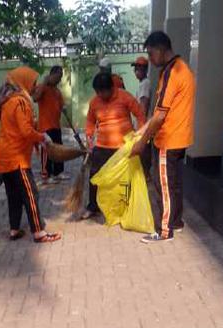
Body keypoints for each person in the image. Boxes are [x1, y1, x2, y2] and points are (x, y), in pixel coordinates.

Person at [130, 31, 195, 242]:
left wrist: (141, 143)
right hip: (179, 137)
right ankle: (176, 221)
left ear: (160, 49)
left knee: (163, 185)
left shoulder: (173, 73)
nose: (149, 59)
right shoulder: (180, 68)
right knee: (173, 183)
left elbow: (159, 116)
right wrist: (140, 132)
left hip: (169, 139)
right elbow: (161, 111)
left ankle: (164, 230)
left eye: (150, 54)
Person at [0, 66, 62, 243]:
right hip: (16, 157)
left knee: (14, 195)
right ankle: (38, 232)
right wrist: (42, 137)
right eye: (32, 83)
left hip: (3, 156)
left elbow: (16, 127)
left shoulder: (7, 101)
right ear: (22, 82)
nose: (35, 86)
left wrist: (35, 132)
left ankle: (14, 230)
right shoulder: (21, 102)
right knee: (31, 193)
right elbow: (25, 131)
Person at [82, 72, 146, 220]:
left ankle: (124, 208)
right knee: (94, 175)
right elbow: (90, 120)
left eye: (103, 92)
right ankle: (93, 207)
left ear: (111, 88)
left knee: (123, 179)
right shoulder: (94, 101)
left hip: (122, 147)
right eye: (97, 92)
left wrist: (139, 135)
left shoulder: (124, 96)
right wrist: (89, 136)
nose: (100, 95)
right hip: (102, 145)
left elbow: (140, 114)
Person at [33, 65, 70, 184]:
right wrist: (44, 82)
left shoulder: (57, 91)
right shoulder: (42, 87)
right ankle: (46, 174)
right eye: (58, 76)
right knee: (47, 151)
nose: (60, 79)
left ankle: (58, 173)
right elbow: (35, 98)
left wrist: (64, 108)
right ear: (51, 75)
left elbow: (61, 104)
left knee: (59, 149)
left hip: (56, 125)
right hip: (45, 126)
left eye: (61, 77)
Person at [131, 56, 152, 178]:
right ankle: (145, 173)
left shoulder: (144, 84)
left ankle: (146, 174)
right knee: (144, 148)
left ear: (143, 70)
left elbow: (144, 105)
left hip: (143, 123)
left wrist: (141, 126)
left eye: (137, 69)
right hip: (142, 123)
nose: (135, 72)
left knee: (144, 149)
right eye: (135, 69)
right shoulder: (144, 83)